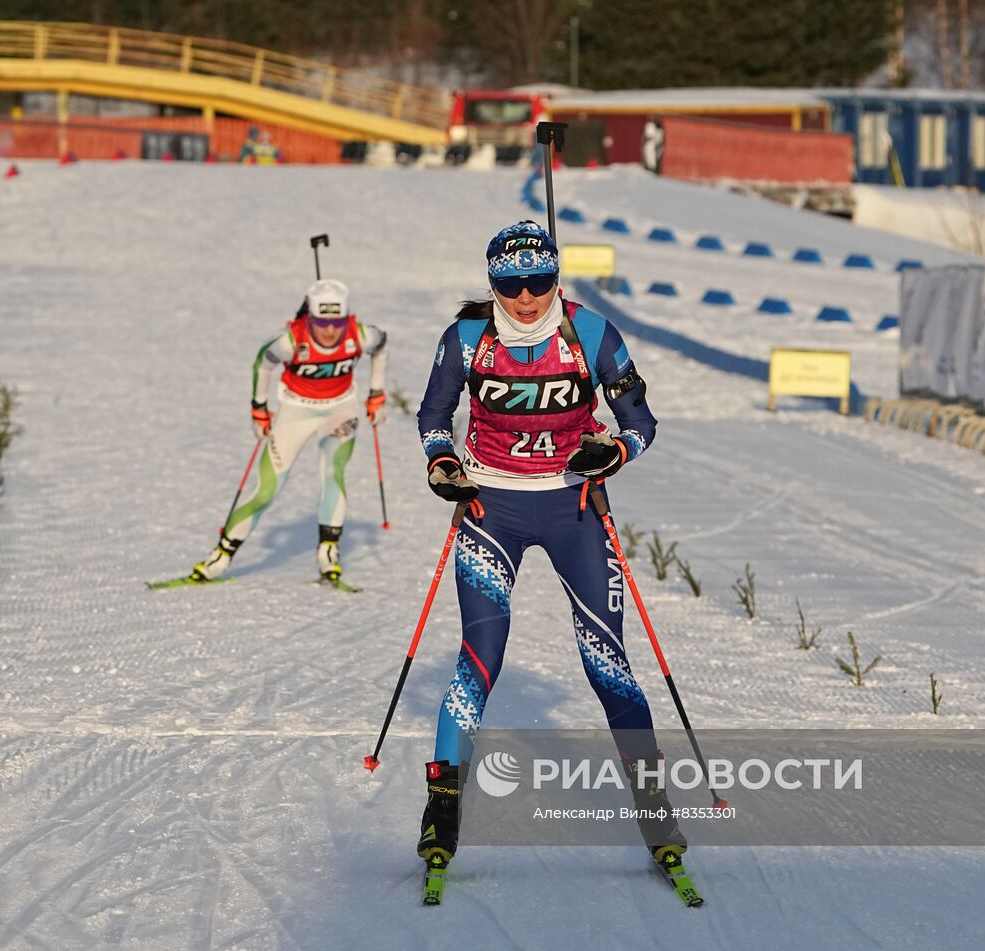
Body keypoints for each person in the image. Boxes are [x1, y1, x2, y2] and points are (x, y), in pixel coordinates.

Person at [413, 220, 686, 869]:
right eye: (510, 283)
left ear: (555, 277)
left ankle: (655, 810)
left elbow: (641, 423)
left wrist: (612, 452)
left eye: (538, 281)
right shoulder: (467, 338)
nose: (526, 296)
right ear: (492, 283)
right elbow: (432, 416)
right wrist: (443, 463)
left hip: (573, 505)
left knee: (607, 661)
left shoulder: (590, 333)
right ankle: (442, 810)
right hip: (491, 507)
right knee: (479, 657)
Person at [190, 278, 387, 585]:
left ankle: (328, 553)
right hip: (297, 411)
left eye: (337, 321)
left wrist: (376, 393)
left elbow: (381, 345)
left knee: (333, 473)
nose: (330, 329)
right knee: (268, 489)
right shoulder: (290, 340)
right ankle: (222, 554)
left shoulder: (360, 334)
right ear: (310, 315)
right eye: (322, 320)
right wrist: (258, 408)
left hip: (340, 410)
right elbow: (262, 363)